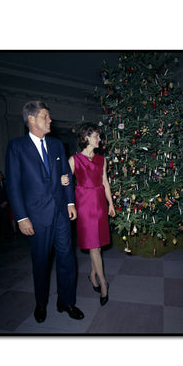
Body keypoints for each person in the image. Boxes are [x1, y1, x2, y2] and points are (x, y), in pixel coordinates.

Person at [5, 100, 84, 323]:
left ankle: (66, 301)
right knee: (41, 262)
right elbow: (13, 185)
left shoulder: (57, 145)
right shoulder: (17, 147)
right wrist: (21, 217)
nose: (50, 120)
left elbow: (66, 177)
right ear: (31, 119)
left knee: (67, 258)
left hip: (60, 212)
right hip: (36, 216)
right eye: (45, 116)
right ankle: (41, 304)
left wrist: (70, 203)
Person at [61, 123, 115, 306]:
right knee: (93, 246)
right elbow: (65, 183)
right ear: (86, 138)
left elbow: (105, 182)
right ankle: (103, 283)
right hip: (84, 204)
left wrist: (111, 204)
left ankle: (92, 274)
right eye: (96, 136)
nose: (100, 139)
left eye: (99, 136)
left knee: (98, 246)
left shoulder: (102, 159)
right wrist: (63, 180)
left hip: (100, 203)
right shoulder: (74, 159)